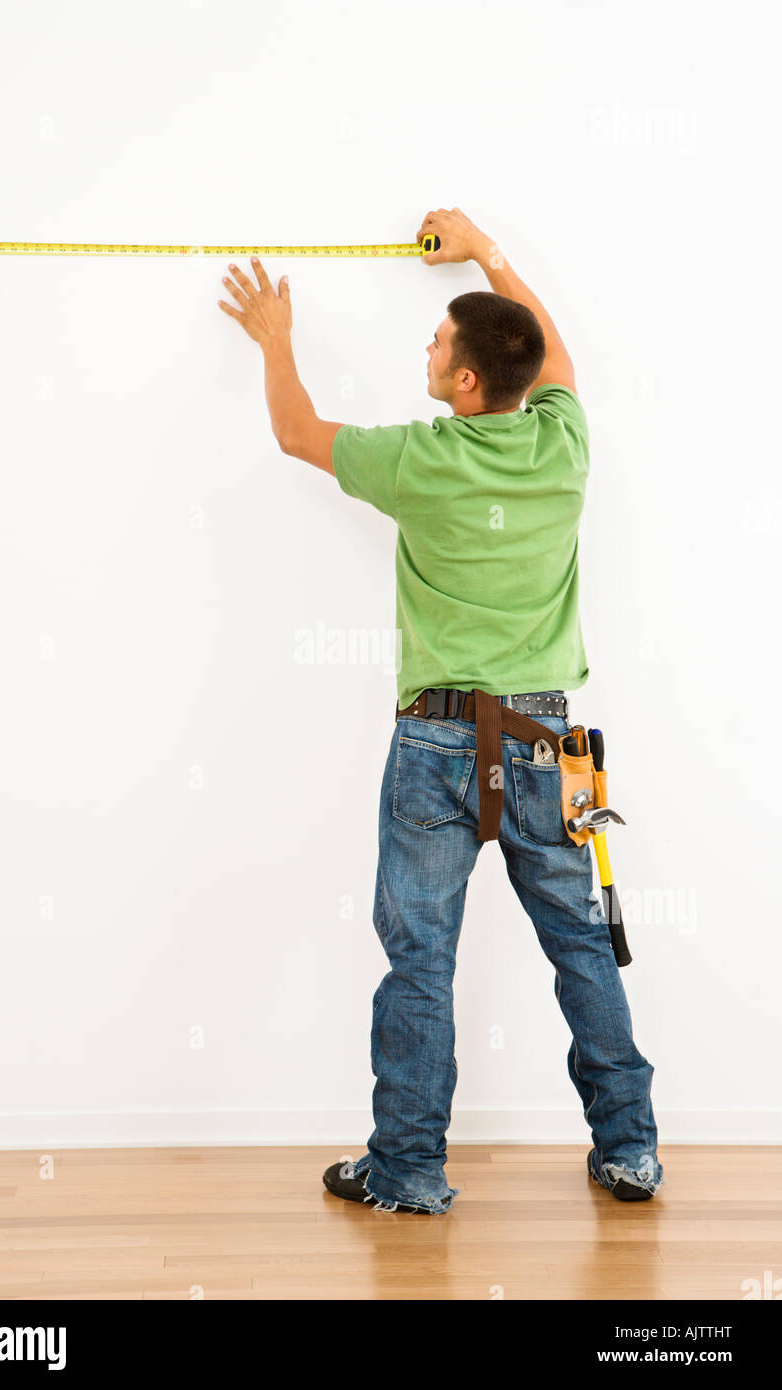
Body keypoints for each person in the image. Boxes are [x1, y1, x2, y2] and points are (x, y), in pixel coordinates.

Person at [217, 205, 664, 1215]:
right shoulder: (563, 448)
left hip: (436, 743)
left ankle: (411, 1168)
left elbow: (294, 432)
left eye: (439, 341)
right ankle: (631, 1148)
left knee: (421, 955)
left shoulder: (423, 460)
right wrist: (488, 253)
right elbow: (550, 354)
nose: (426, 343)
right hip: (547, 743)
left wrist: (276, 341)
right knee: (583, 943)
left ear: (466, 382)